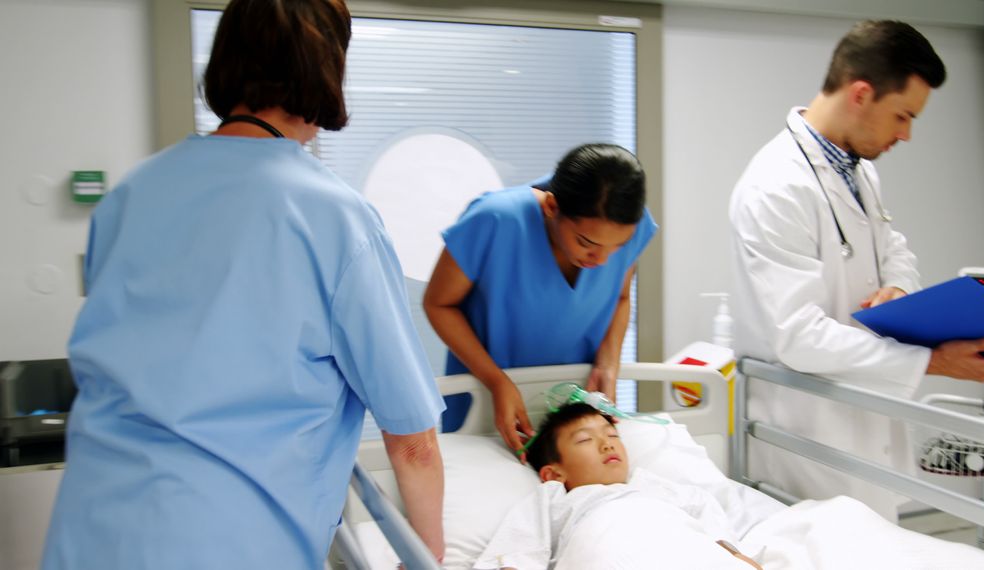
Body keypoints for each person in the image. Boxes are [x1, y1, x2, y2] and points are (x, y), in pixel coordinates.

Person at [42, 1, 446, 567]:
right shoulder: (334, 217)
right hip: (232, 544)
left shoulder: (131, 195)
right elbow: (413, 441)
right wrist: (427, 556)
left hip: (92, 530)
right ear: (327, 70)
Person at [728, 20, 984, 521]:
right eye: (902, 116)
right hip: (807, 439)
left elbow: (897, 250)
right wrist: (931, 361)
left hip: (864, 424)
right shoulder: (775, 186)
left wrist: (898, 287)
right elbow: (797, 335)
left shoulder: (861, 171)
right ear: (861, 93)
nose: (906, 135)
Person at [423, 143, 657, 456]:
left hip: (575, 400)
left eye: (616, 247)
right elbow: (439, 304)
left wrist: (609, 361)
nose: (601, 259)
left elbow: (621, 297)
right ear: (551, 207)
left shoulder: (628, 223)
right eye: (586, 242)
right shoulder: (495, 220)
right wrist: (496, 382)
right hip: (489, 397)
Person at [473, 403, 763, 570]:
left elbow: (704, 511)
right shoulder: (556, 499)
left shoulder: (649, 485)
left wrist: (734, 555)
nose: (607, 443)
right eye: (585, 439)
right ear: (554, 473)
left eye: (612, 434)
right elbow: (520, 546)